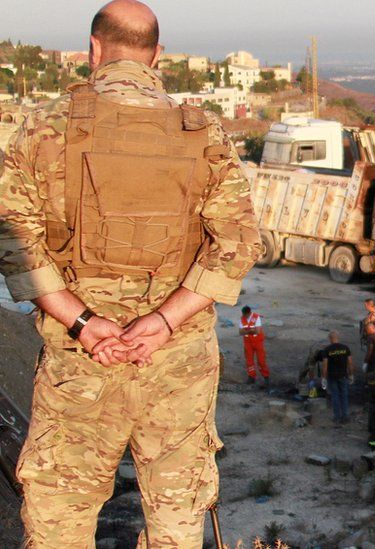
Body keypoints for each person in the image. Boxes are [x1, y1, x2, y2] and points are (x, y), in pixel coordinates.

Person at [0, 1, 262, 546]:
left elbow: (14, 240)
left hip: (80, 361)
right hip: (176, 364)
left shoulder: (45, 125)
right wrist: (164, 322)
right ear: (157, 57)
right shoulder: (204, 132)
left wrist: (83, 322)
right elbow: (238, 244)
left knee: (59, 520)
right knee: (176, 520)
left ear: (93, 49)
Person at [314, 331, 353, 424]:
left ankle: (337, 417)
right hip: (343, 375)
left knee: (335, 395)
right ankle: (346, 416)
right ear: (337, 338)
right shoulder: (345, 348)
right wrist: (351, 374)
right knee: (344, 395)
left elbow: (324, 366)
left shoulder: (326, 350)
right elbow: (350, 363)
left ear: (330, 339)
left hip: (332, 376)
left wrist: (324, 378)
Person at [239, 305, 269, 386]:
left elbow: (257, 331)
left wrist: (247, 331)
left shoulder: (256, 317)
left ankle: (266, 377)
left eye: (245, 315)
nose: (244, 316)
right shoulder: (242, 318)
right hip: (248, 342)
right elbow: (240, 332)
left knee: (261, 360)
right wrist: (251, 330)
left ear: (249, 313)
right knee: (249, 361)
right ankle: (251, 377)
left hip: (257, 341)